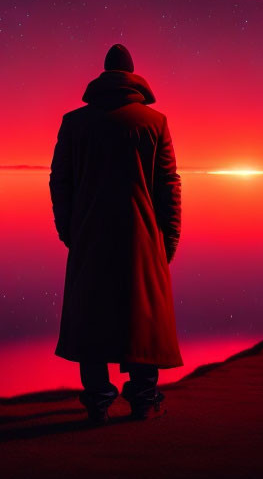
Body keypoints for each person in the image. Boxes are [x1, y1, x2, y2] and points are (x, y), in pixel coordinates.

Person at [49, 43, 183, 425]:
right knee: (142, 316)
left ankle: (98, 401)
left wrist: (70, 230)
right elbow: (168, 186)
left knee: (91, 317)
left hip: (89, 235)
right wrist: (167, 241)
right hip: (142, 238)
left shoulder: (74, 123)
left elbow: (60, 182)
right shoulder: (154, 123)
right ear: (133, 75)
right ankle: (143, 398)